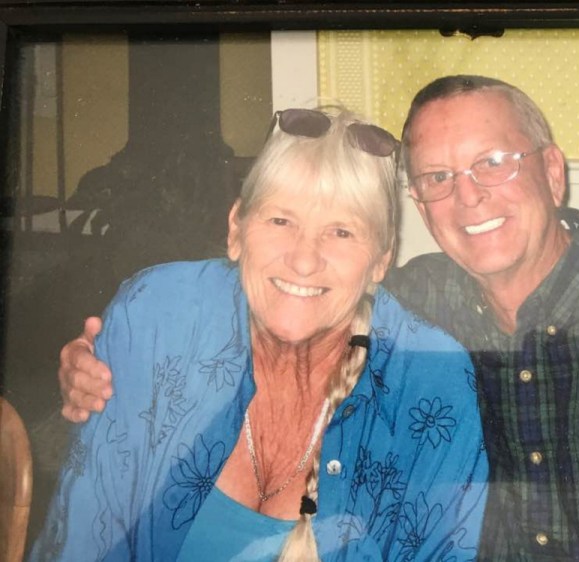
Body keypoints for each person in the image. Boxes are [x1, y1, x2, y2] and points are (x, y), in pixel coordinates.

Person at [60, 76, 579, 560]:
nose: (469, 196)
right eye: (439, 178)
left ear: (553, 172)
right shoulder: (417, 306)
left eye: (493, 163)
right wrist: (98, 358)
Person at [32, 107, 488, 561]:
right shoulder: (158, 316)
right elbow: (85, 537)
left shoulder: (430, 385)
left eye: (342, 231)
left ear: (380, 263)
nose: (304, 260)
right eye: (281, 221)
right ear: (236, 229)